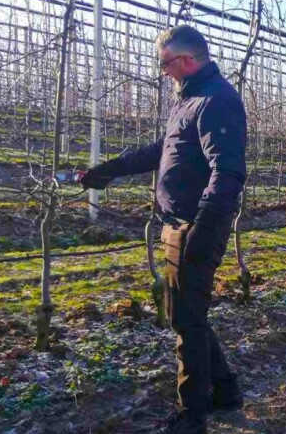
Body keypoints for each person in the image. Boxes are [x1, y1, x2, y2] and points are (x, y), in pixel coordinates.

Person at [80, 25, 247, 434]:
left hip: (196, 224)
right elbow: (163, 150)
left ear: (187, 60)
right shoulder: (189, 101)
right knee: (188, 313)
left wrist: (201, 229)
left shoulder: (216, 101)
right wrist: (108, 171)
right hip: (182, 222)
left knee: (185, 320)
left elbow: (227, 172)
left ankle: (192, 416)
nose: (164, 71)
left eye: (165, 63)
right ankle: (225, 391)